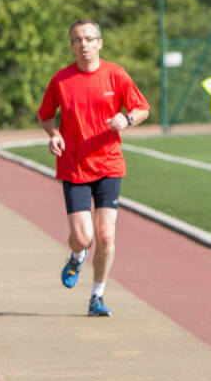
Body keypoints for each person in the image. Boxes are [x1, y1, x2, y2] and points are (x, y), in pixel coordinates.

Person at [37, 19, 150, 317]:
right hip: (74, 166)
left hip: (109, 163)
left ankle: (97, 296)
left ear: (100, 42)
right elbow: (46, 116)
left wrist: (126, 120)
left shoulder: (117, 75)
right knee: (83, 237)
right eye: (77, 39)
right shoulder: (61, 80)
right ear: (71, 45)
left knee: (107, 236)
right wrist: (55, 135)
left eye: (89, 39)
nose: (84, 44)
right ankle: (77, 256)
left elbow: (142, 109)